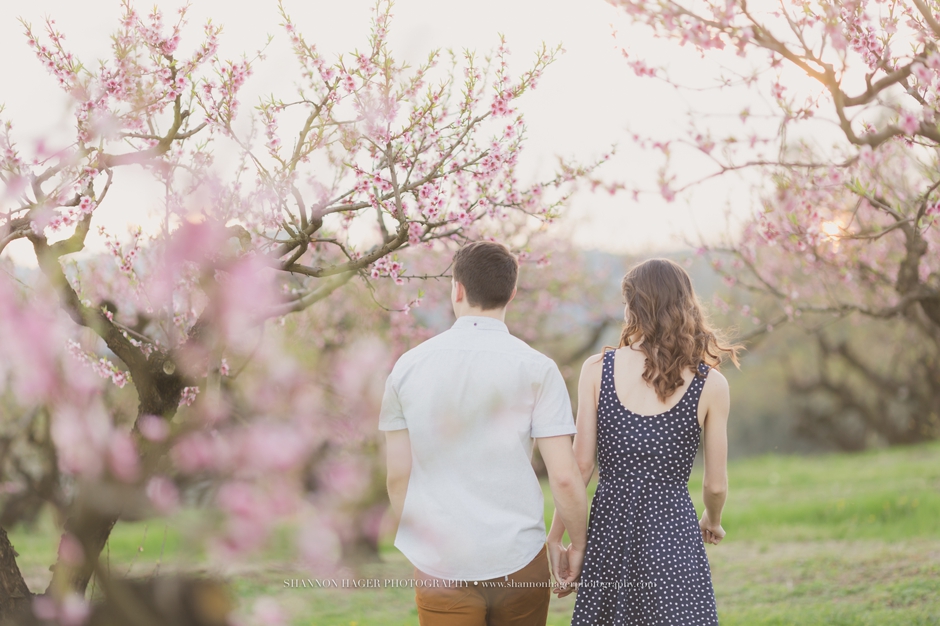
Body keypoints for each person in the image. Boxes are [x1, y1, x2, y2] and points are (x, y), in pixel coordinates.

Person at [380, 240, 588, 626]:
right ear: (511, 293)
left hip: (441, 561)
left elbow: (397, 476)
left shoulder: (407, 368)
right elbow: (563, 475)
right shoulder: (538, 368)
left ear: (456, 289)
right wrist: (577, 542)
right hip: (519, 556)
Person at [548, 258, 739, 625]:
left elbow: (580, 467)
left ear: (632, 307)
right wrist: (712, 520)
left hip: (610, 532)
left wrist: (557, 537)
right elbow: (715, 485)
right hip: (673, 533)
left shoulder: (596, 370)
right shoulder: (710, 383)